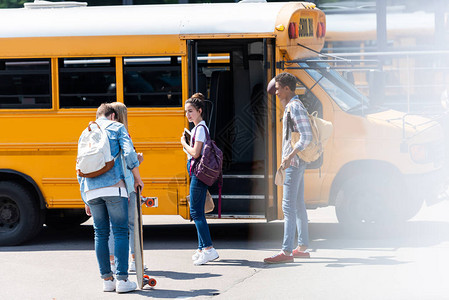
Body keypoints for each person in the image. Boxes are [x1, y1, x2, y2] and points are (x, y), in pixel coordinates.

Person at [79, 103, 143, 292]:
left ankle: (107, 280)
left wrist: (85, 198)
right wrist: (137, 179)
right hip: (114, 187)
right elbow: (130, 153)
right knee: (121, 231)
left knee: (100, 233)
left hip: (91, 190)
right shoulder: (117, 127)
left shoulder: (86, 131)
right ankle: (123, 281)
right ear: (113, 115)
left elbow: (79, 166)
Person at [264, 73, 313, 264]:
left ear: (287, 89)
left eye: (277, 89)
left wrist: (289, 156)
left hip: (294, 162)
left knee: (288, 207)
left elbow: (306, 136)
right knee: (298, 204)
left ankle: (286, 252)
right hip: (296, 161)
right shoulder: (292, 106)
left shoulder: (294, 107)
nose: (275, 92)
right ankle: (301, 247)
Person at [180, 93, 219, 265]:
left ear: (199, 111)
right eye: (186, 112)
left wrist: (184, 143)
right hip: (196, 172)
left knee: (196, 211)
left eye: (191, 111)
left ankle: (209, 249)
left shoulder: (201, 129)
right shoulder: (197, 129)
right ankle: (202, 247)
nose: (188, 115)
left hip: (199, 173)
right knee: (197, 210)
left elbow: (196, 153)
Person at [107, 102, 145, 273]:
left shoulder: (105, 134)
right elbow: (129, 159)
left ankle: (112, 263)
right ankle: (134, 261)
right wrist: (138, 162)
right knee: (132, 224)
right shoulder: (123, 133)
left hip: (109, 185)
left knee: (112, 226)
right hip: (127, 185)